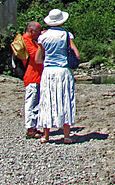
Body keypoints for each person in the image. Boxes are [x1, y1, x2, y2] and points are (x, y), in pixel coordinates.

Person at [36, 9, 79, 144]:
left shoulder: (43, 37)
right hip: (63, 71)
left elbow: (38, 59)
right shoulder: (67, 35)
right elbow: (76, 54)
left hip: (48, 71)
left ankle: (46, 135)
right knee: (65, 99)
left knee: (46, 100)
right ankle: (66, 135)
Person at [21, 22, 44, 138]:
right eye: (38, 32)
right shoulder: (27, 40)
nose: (39, 34)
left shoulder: (30, 41)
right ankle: (30, 129)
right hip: (32, 76)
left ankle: (33, 127)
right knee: (31, 102)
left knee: (35, 102)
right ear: (31, 31)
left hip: (35, 76)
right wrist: (41, 44)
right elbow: (36, 57)